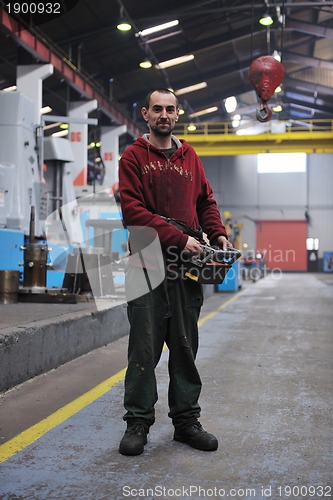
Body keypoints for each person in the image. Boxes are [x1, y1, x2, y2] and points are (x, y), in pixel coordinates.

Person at [118, 88, 231, 456]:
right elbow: (133, 214)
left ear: (177, 114)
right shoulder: (133, 157)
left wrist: (218, 233)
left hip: (185, 271)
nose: (163, 115)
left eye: (170, 109)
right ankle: (138, 421)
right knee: (143, 350)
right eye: (157, 109)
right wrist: (181, 239)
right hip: (147, 266)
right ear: (145, 114)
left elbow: (206, 201)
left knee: (184, 348)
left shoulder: (190, 157)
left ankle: (185, 422)